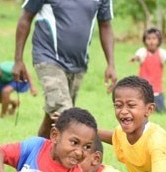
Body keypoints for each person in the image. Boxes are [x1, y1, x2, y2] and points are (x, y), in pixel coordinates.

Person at [13, 0, 117, 138]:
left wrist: (111, 64)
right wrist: (18, 60)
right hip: (47, 58)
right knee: (67, 116)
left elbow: (105, 26)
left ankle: (36, 153)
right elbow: (26, 18)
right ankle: (81, 158)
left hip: (78, 64)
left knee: (55, 117)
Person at [130, 28, 166, 113]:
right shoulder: (143, 51)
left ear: (159, 41)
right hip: (144, 87)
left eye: (154, 39)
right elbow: (138, 56)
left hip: (157, 88)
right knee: (143, 106)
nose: (151, 42)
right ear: (144, 41)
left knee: (161, 110)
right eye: (148, 39)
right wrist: (134, 58)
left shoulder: (161, 52)